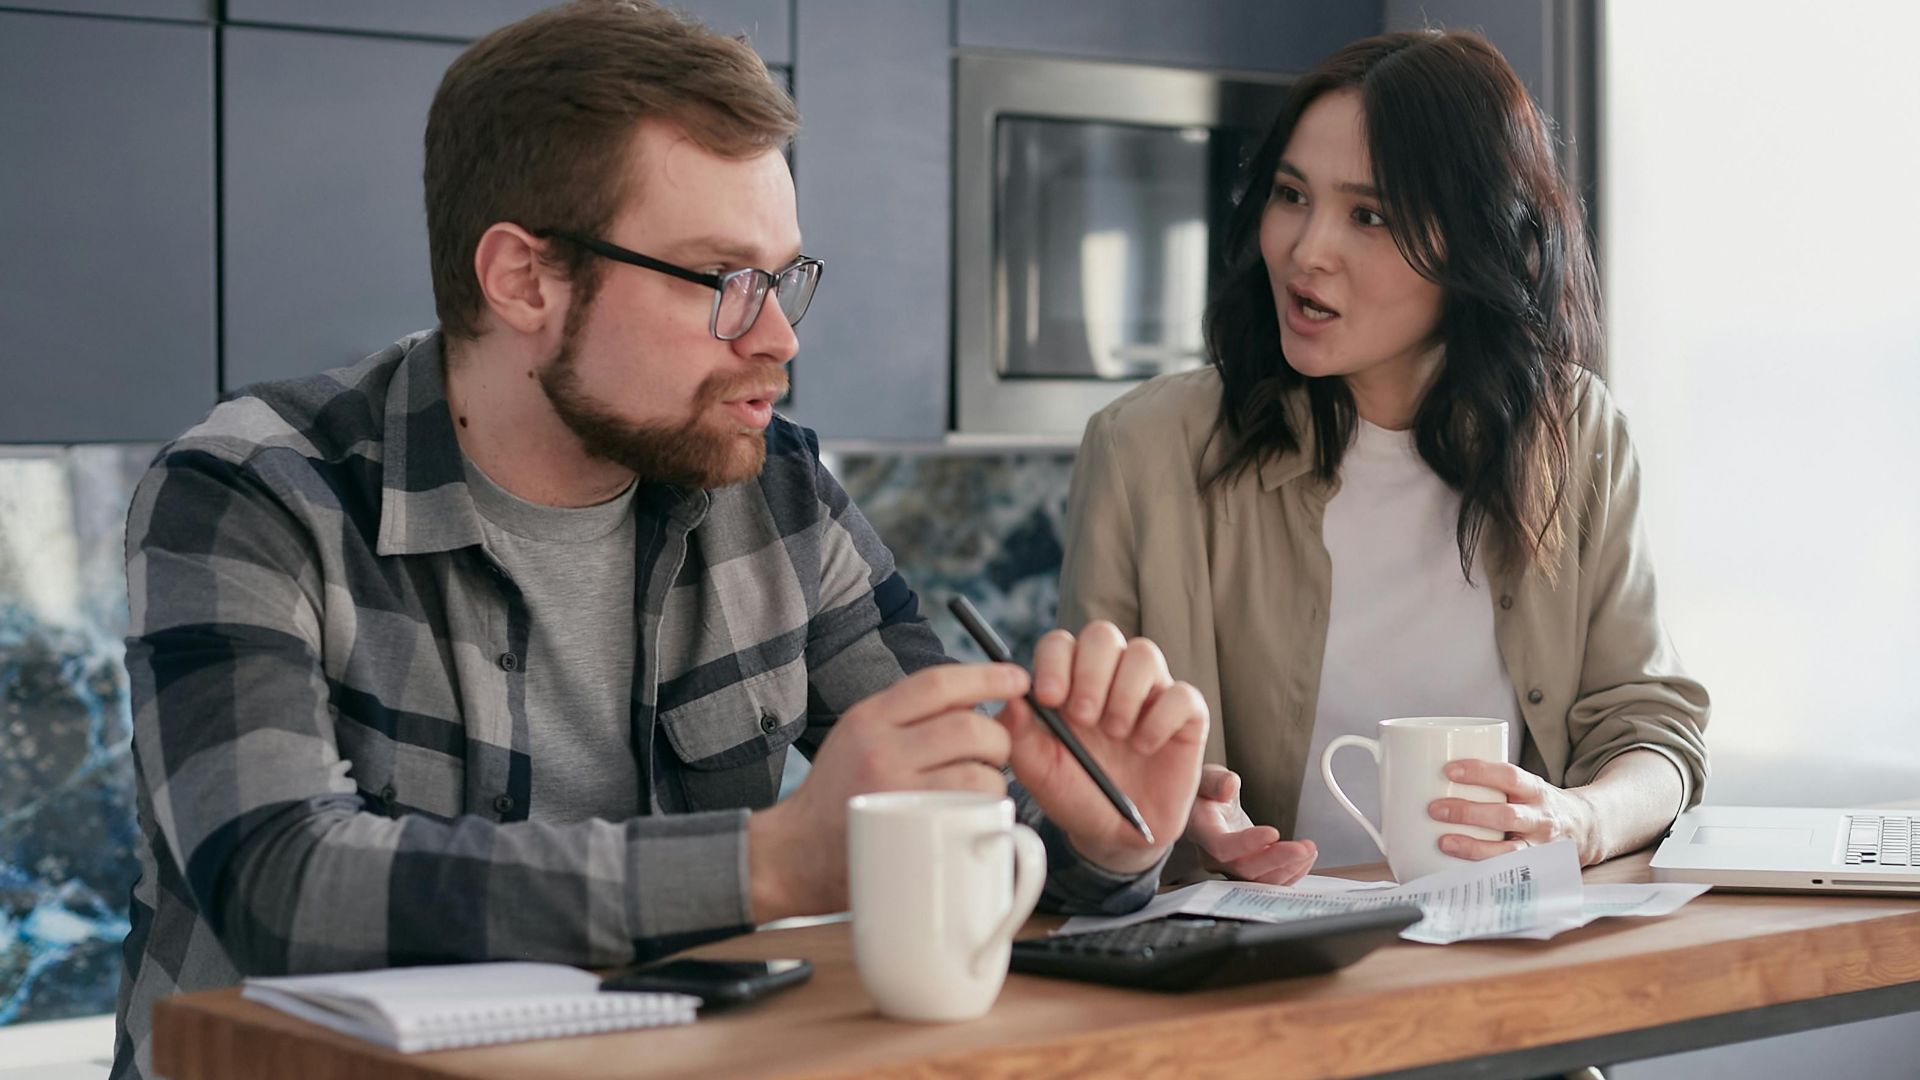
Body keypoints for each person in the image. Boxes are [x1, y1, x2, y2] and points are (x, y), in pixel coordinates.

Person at [111, 4, 1206, 1076]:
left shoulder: (779, 496)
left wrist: (1100, 838)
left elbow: (962, 833)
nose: (776, 337)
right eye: (724, 281)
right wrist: (767, 863)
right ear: (525, 279)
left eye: (781, 279)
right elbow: (279, 885)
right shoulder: (251, 491)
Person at [1057, 29, 1708, 887]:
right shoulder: (1145, 449)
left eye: (1369, 215)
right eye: (1291, 195)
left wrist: (1578, 819)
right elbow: (1076, 813)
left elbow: (1654, 733)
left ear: (1476, 242)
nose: (1304, 249)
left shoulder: (1575, 430)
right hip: (1268, 976)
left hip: (1512, 943)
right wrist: (1148, 834)